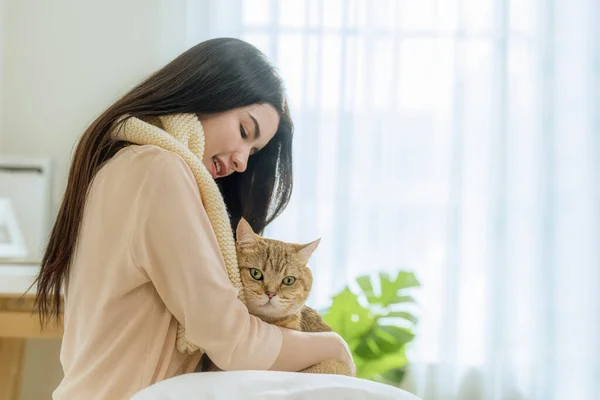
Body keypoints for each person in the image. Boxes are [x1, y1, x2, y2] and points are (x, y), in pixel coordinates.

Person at [33, 38, 354, 399]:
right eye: (245, 132)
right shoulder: (158, 170)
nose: (242, 162)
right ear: (209, 93)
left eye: (254, 152)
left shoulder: (125, 162)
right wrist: (334, 346)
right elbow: (232, 341)